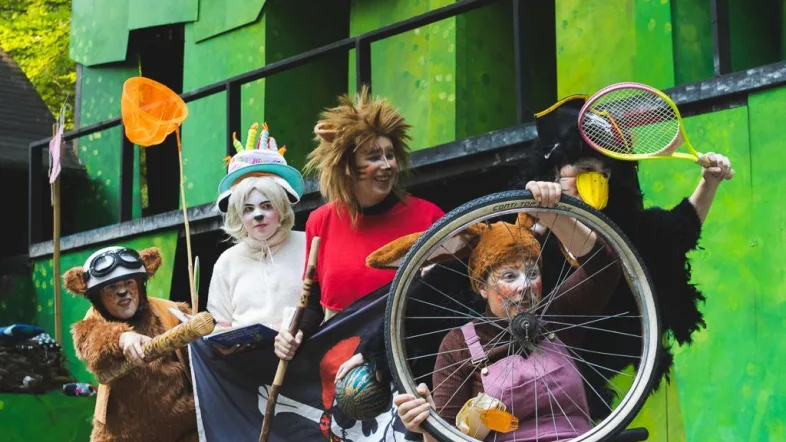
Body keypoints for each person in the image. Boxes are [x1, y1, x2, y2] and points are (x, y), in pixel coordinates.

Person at [524, 95, 734, 417]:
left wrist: (710, 181)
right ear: (554, 172)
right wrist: (541, 210)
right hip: (534, 376)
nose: (594, 180)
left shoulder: (630, 231)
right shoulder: (528, 233)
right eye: (582, 170)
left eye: (603, 173)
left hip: (609, 379)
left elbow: (680, 229)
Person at [368, 181, 621, 441]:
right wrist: (426, 426)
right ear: (482, 287)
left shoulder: (558, 315)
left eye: (532, 273)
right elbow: (448, 437)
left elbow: (605, 265)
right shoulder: (458, 345)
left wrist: (551, 213)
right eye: (510, 276)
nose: (525, 286)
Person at [274, 87, 444, 381]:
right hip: (338, 375)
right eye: (373, 156)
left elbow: (445, 301)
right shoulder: (320, 221)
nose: (386, 164)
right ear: (348, 166)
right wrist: (294, 332)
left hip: (408, 370)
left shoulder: (429, 217)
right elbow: (313, 301)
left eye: (390, 155)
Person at [64, 246, 197, 442]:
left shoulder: (170, 311)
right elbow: (91, 343)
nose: (123, 292)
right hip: (122, 434)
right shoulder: (92, 322)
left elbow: (201, 363)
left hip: (182, 427)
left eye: (128, 283)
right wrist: (121, 337)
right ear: (97, 297)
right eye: (111, 287)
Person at [207, 123, 306, 345]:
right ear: (239, 217)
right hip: (246, 369)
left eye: (267, 206)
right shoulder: (227, 262)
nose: (258, 216)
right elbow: (220, 325)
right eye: (248, 209)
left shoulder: (309, 245)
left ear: (281, 208)